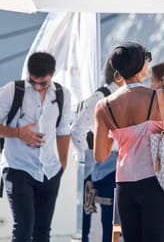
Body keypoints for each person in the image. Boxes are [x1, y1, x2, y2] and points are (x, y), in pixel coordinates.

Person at [94, 42, 164, 242]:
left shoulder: (103, 106)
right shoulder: (161, 97)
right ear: (139, 64)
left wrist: (116, 135)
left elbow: (100, 156)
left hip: (125, 184)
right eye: (147, 58)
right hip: (155, 181)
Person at [0, 51, 72, 242]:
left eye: (44, 83)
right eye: (33, 82)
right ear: (28, 74)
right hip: (18, 167)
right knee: (24, 227)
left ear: (52, 75)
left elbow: (63, 131)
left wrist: (62, 165)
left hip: (49, 170)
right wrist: (17, 133)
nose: (38, 87)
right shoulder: (12, 91)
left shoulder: (62, 94)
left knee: (42, 231)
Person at [70, 59, 124, 242]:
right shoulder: (100, 98)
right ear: (119, 75)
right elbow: (77, 131)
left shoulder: (124, 97)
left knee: (114, 224)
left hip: (119, 169)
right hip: (99, 170)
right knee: (97, 225)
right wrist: (90, 160)